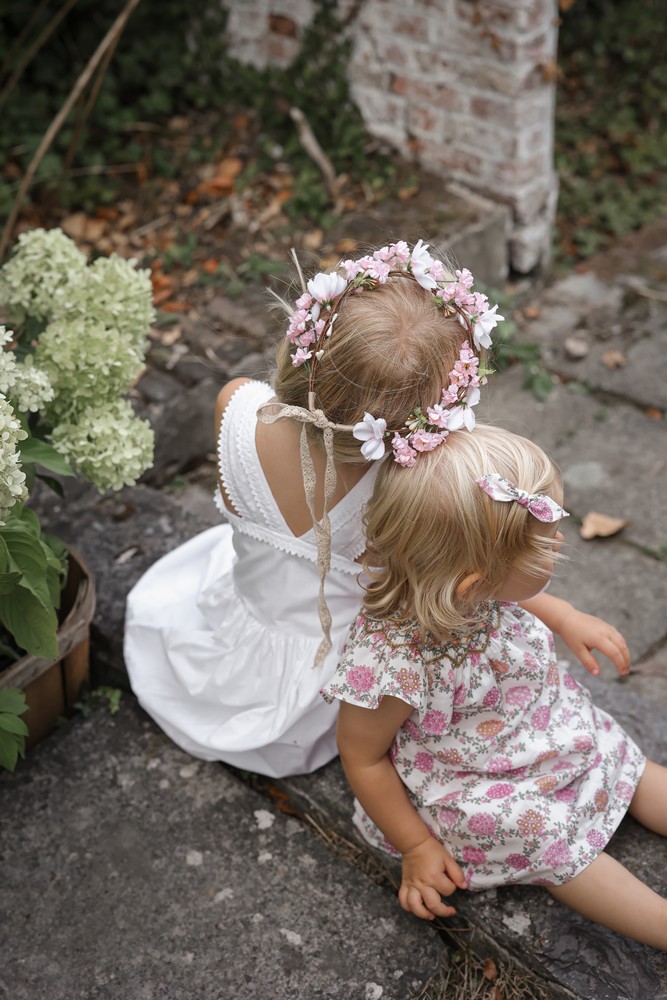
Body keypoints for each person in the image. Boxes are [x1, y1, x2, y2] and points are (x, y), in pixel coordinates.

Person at [124, 239, 623, 780]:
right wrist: (563, 614)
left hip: (240, 621)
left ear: (306, 343)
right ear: (431, 422)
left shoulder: (235, 405)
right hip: (333, 688)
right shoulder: (403, 494)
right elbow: (476, 575)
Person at [322, 424, 667, 949]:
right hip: (469, 778)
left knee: (613, 750)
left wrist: (565, 615)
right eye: (545, 546)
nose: (560, 543)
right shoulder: (392, 663)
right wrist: (415, 846)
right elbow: (362, 757)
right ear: (474, 585)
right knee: (545, 838)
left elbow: (515, 594)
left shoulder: (460, 583)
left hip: (536, 724)